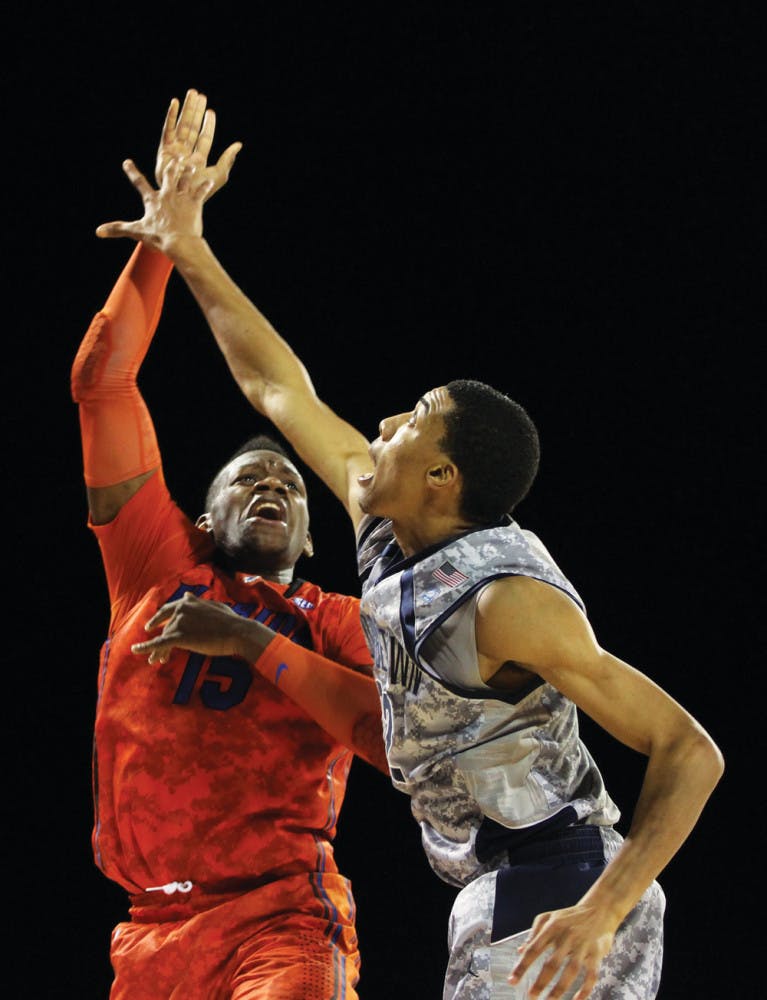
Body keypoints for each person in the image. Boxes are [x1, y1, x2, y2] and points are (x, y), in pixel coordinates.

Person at [98, 89, 725, 1000]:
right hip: (489, 886)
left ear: (444, 479)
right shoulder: (386, 527)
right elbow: (276, 387)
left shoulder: (507, 600)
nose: (387, 421)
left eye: (415, 420)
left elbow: (688, 749)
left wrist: (604, 907)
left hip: (561, 880)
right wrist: (186, 247)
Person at [71, 89, 388, 1000]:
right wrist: (161, 248)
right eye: (250, 477)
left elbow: (395, 742)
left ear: (308, 535)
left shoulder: (331, 617)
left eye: (290, 484)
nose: (277, 483)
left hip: (279, 916)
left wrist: (260, 646)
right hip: (149, 931)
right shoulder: (155, 566)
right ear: (201, 521)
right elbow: (103, 383)